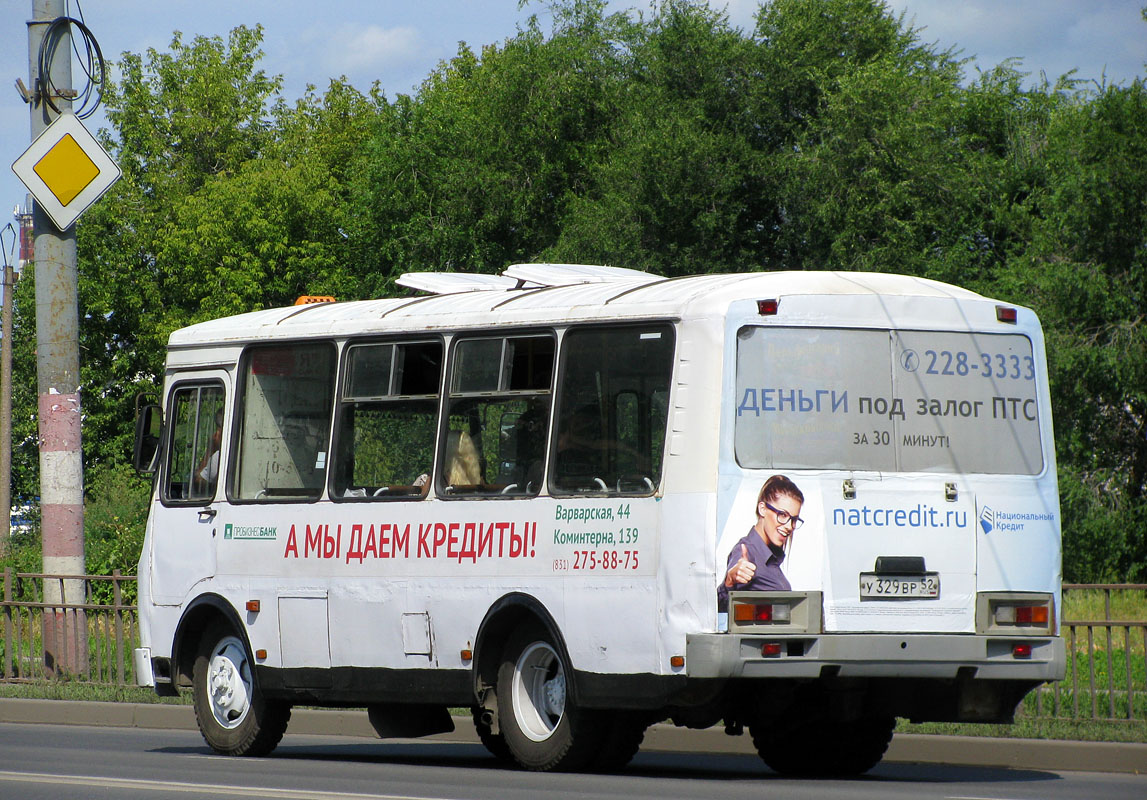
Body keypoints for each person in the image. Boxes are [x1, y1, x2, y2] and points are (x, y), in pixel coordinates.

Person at [717, 475, 805, 612]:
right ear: (762, 509)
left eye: (794, 519)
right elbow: (722, 609)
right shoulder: (746, 552)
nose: (789, 526)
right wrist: (730, 580)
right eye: (782, 515)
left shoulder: (771, 560)